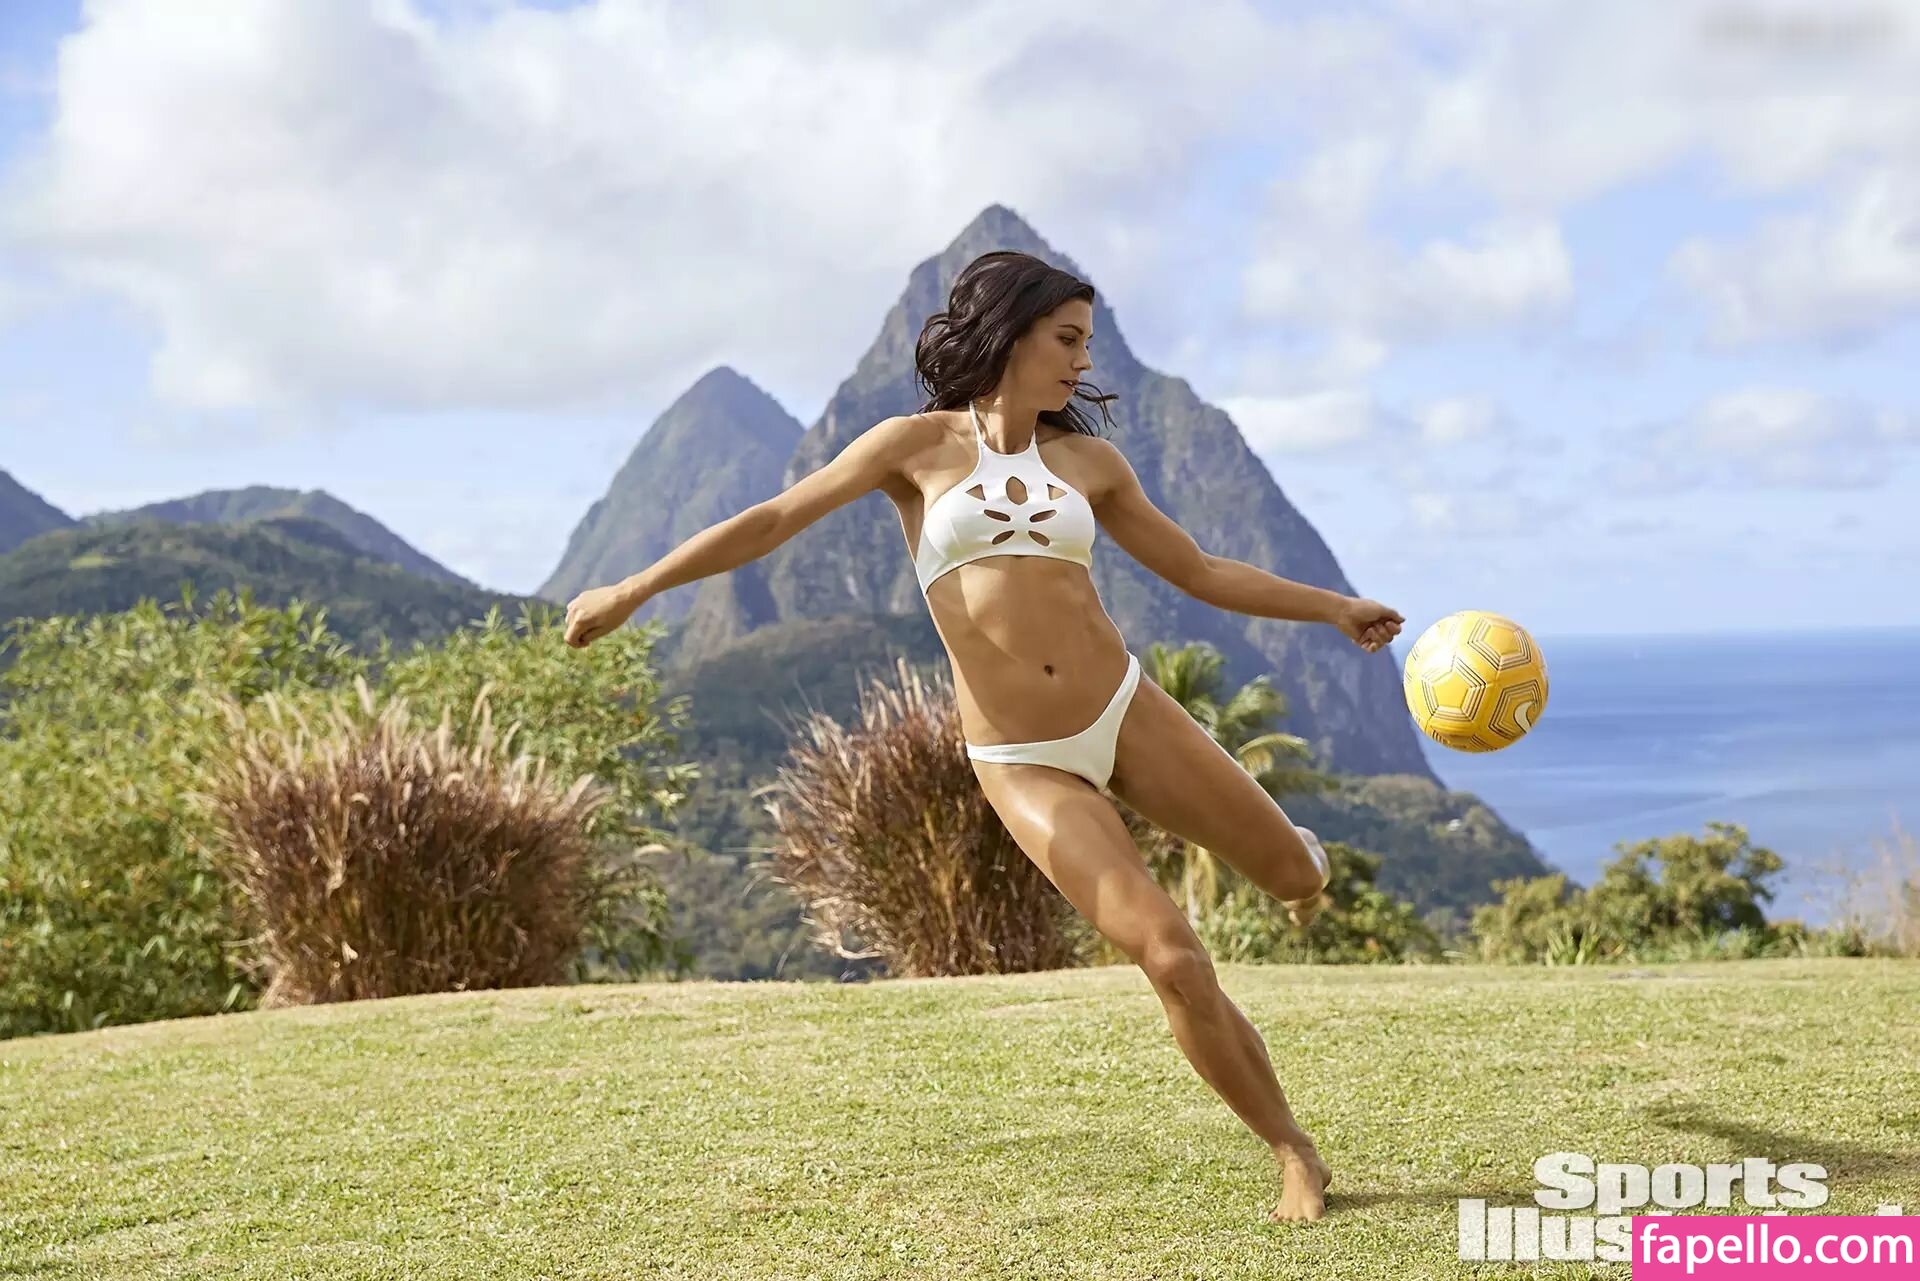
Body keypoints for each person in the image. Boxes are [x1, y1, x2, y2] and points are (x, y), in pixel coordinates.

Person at [565, 249, 1404, 1223]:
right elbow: (772, 519)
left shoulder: (1091, 465)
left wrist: (1335, 607)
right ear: (1010, 333)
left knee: (1294, 878)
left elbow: (1202, 570)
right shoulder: (911, 449)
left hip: (1125, 709)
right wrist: (633, 589)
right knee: (1172, 957)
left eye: (1087, 343)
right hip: (1024, 760)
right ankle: (1293, 1149)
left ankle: (1302, 857)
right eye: (1068, 339)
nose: (1083, 362)